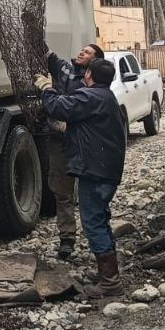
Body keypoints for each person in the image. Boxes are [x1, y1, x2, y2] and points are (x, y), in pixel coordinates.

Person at [35, 58, 126, 297]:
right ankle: (107, 272)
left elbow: (58, 107)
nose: (83, 74)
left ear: (90, 76)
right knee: (101, 219)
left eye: (86, 72)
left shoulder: (91, 97)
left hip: (95, 172)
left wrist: (46, 88)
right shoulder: (105, 96)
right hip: (105, 170)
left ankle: (110, 282)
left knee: (93, 222)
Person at [43, 43, 104, 260]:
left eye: (87, 52)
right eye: (82, 50)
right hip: (60, 142)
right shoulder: (65, 69)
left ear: (94, 62)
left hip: (83, 145)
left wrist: (47, 91)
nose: (81, 53)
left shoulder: (94, 84)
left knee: (90, 194)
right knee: (62, 191)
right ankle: (67, 239)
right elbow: (50, 56)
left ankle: (99, 241)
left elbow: (68, 107)